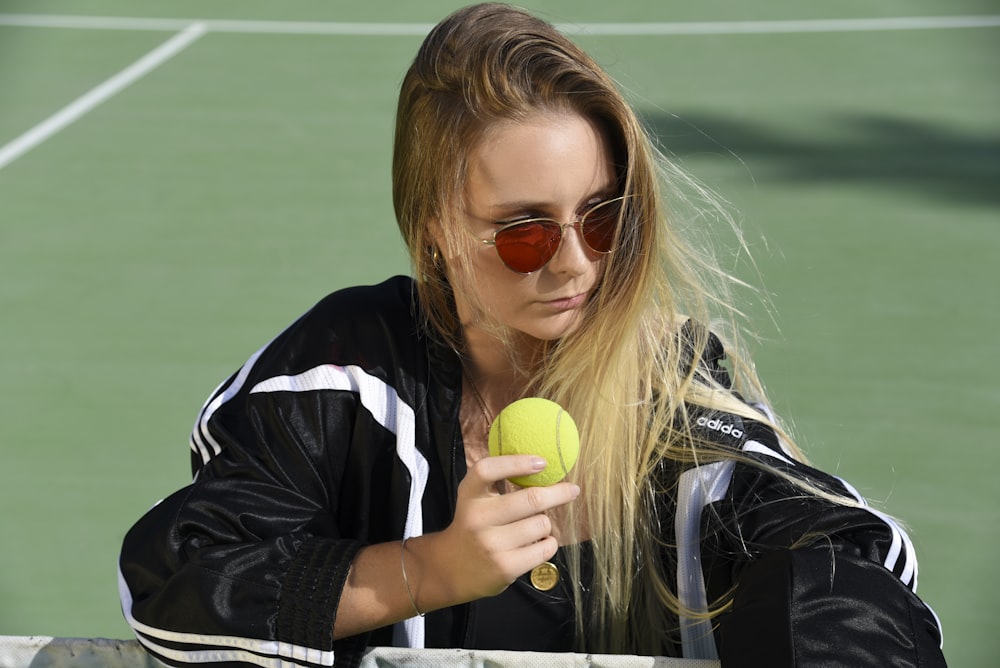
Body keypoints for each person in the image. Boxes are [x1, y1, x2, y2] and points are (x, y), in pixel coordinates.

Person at [118, 4, 946, 667]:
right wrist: (430, 570)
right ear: (437, 228)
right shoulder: (342, 372)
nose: (576, 264)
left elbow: (843, 560)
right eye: (524, 233)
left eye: (604, 217)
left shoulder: (676, 377)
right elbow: (178, 584)